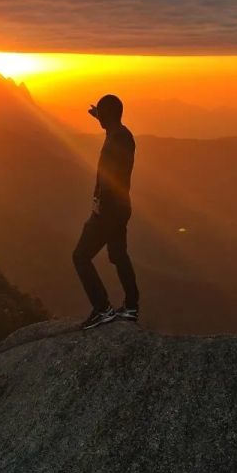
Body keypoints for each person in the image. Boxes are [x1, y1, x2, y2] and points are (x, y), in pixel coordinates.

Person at [73, 93, 140, 329]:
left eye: (101, 114)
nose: (98, 118)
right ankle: (131, 306)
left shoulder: (115, 141)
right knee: (118, 256)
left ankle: (103, 309)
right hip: (122, 207)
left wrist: (98, 202)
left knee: (80, 257)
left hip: (109, 209)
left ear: (108, 116)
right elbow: (111, 129)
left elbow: (110, 177)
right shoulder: (122, 134)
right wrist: (99, 116)